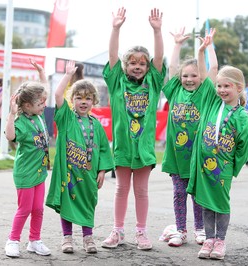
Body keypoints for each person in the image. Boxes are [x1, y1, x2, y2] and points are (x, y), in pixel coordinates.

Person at [100, 7, 166, 251]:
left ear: (148, 68)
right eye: (132, 63)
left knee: (141, 190)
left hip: (144, 148)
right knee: (120, 189)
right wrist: (115, 28)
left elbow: (159, 58)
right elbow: (112, 55)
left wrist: (157, 31)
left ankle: (141, 232)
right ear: (125, 66)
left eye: (142, 63)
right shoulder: (117, 81)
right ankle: (117, 231)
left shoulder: (153, 82)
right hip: (122, 147)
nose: (137, 66)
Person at [187, 34, 248, 260]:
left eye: (227, 86)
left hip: (222, 168)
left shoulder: (241, 115)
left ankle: (221, 241)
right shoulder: (212, 102)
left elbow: (244, 147)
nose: (222, 90)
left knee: (220, 203)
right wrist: (203, 50)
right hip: (203, 166)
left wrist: (233, 167)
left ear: (239, 88)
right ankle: (209, 239)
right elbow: (209, 71)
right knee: (205, 203)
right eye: (220, 86)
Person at [46, 60, 113, 254]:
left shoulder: (97, 125)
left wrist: (102, 170)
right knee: (67, 203)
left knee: (87, 204)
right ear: (72, 100)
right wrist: (67, 75)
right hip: (69, 174)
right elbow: (57, 94)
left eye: (88, 98)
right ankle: (67, 238)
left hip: (89, 176)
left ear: (94, 101)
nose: (83, 102)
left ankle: (88, 237)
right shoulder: (66, 117)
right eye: (78, 98)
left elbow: (102, 149)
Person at [161, 27, 217, 247]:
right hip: (176, 157)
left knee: (197, 195)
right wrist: (176, 45)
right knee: (178, 194)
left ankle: (200, 229)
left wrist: (208, 48)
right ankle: (180, 230)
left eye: (194, 75)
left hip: (198, 156)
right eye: (186, 76)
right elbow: (172, 68)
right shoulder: (175, 91)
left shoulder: (204, 93)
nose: (189, 79)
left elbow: (213, 71)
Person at [4, 59, 51, 258]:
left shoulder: (38, 115)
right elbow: (9, 136)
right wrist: (11, 114)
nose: (44, 105)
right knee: (24, 209)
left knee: (38, 209)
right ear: (26, 105)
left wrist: (42, 73)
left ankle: (34, 240)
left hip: (39, 172)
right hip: (25, 173)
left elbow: (44, 90)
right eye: (40, 103)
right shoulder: (21, 121)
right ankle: (13, 240)